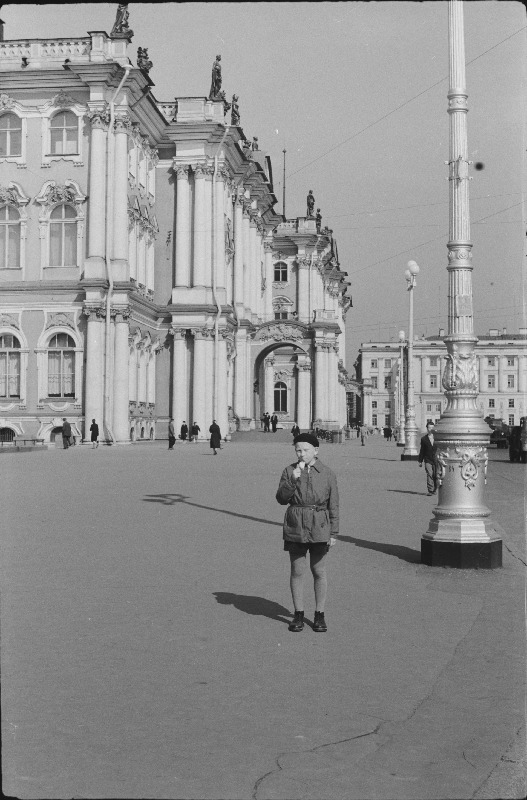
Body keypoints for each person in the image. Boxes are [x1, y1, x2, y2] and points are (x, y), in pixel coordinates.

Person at [276, 433, 339, 633]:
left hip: (320, 525)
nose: (301, 454)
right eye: (298, 450)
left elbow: (334, 505)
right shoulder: (289, 471)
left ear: (316, 451)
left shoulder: (328, 473)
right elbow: (281, 498)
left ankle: (319, 614)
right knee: (297, 570)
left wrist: (334, 532)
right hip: (296, 524)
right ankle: (298, 613)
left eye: (305, 450)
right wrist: (292, 480)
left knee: (319, 570)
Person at [418, 421, 439, 496]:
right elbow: (422, 450)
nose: (431, 429)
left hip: (437, 459)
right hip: (428, 459)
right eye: (429, 427)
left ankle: (435, 489)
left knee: (436, 475)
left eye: (432, 428)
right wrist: (420, 461)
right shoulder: (424, 439)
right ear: (427, 428)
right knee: (429, 474)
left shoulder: (438, 438)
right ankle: (430, 490)